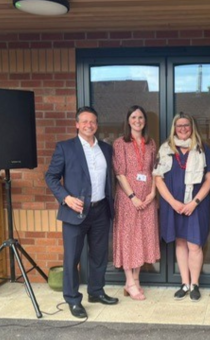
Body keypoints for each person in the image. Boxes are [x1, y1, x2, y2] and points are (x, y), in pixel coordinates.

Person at [45, 106, 118, 319]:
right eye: (84, 121)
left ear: (97, 124)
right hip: (74, 212)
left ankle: (96, 292)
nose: (89, 125)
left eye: (92, 121)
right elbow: (50, 177)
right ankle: (73, 299)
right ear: (77, 124)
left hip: (101, 210)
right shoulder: (65, 148)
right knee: (72, 258)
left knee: (99, 256)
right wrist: (66, 198)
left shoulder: (105, 148)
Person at [153, 112, 210, 301]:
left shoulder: (203, 149)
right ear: (174, 129)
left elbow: (209, 180)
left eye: (186, 125)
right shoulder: (165, 149)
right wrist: (174, 202)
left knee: (195, 244)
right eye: (179, 126)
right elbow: (158, 180)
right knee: (180, 242)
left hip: (196, 205)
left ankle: (195, 284)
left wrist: (194, 202)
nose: (183, 129)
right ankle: (184, 284)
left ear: (192, 127)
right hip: (174, 205)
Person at [112, 105, 160, 300]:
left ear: (145, 121)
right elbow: (120, 173)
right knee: (129, 236)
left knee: (143, 236)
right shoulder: (120, 143)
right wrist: (133, 197)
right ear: (128, 120)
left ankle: (135, 279)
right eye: (134, 117)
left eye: (141, 117)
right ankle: (129, 281)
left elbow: (155, 171)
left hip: (147, 197)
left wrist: (152, 194)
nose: (138, 120)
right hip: (128, 198)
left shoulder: (151, 143)